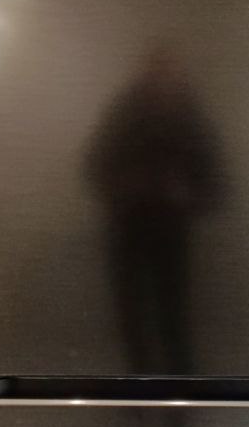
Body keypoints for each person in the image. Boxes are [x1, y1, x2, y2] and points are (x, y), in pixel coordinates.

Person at [85, 44, 226, 375]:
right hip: (127, 231)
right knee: (132, 322)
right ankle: (137, 389)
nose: (162, 80)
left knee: (174, 319)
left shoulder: (191, 121)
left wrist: (184, 193)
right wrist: (129, 184)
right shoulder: (123, 116)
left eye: (168, 72)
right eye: (156, 71)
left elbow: (216, 185)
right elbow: (94, 168)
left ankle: (181, 391)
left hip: (172, 234)